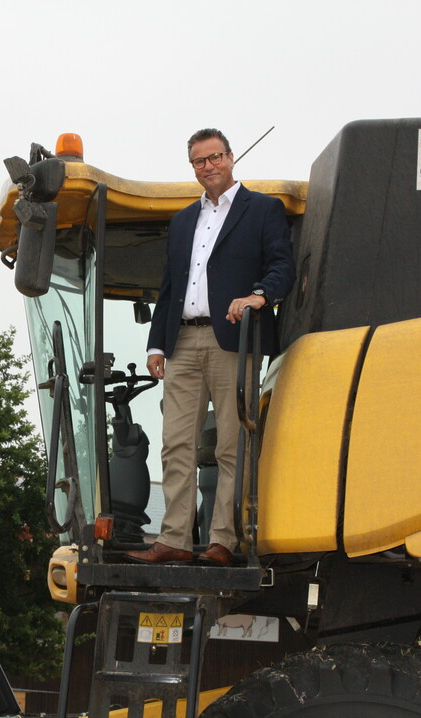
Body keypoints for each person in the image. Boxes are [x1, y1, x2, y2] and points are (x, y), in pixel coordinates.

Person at [125, 128, 294, 567]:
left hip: (235, 341)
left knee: (231, 445)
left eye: (214, 157)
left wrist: (260, 295)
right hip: (181, 341)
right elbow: (169, 286)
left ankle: (224, 539)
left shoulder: (264, 210)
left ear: (231, 158)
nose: (208, 167)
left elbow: (282, 265)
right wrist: (156, 344)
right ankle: (175, 540)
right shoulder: (183, 221)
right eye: (199, 161)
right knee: (175, 443)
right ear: (194, 168)